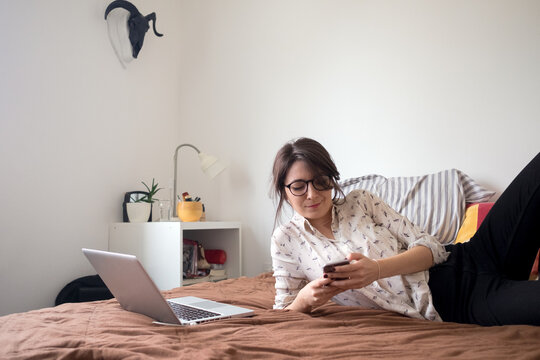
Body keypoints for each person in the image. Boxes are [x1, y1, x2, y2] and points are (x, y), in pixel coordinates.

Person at [270, 137, 540, 326]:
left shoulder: (361, 201)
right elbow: (283, 310)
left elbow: (431, 247)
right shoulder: (286, 241)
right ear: (284, 189)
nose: (312, 193)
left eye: (321, 182)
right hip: (456, 301)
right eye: (298, 186)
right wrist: (305, 299)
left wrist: (376, 270)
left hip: (473, 254)